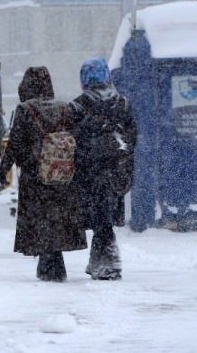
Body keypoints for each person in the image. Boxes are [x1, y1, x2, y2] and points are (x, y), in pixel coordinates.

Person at [0, 67, 87, 282]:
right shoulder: (65, 108)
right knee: (57, 217)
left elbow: (15, 144)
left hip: (35, 174)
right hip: (63, 173)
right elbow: (77, 140)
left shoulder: (25, 110)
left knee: (41, 218)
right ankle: (56, 260)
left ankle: (47, 263)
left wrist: (5, 168)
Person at [70, 57, 137, 280]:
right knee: (106, 215)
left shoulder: (79, 104)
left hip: (90, 170)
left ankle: (108, 263)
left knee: (99, 218)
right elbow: (133, 136)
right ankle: (100, 260)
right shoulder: (122, 103)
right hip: (117, 170)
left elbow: (73, 139)